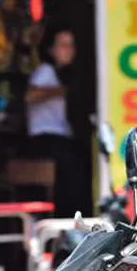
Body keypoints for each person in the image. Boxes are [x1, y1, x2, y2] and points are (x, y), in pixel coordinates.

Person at [25, 27, 86, 205]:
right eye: (63, 45)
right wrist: (62, 91)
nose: (68, 50)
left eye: (71, 46)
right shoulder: (45, 71)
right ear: (51, 49)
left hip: (59, 137)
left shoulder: (62, 73)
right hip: (45, 138)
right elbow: (30, 96)